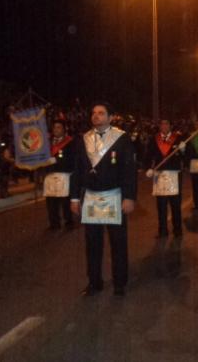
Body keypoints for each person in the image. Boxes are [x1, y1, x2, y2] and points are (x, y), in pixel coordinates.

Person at [70, 102, 137, 297]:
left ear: (110, 117)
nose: (96, 116)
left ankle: (119, 282)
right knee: (92, 243)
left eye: (101, 113)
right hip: (91, 197)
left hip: (114, 196)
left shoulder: (121, 139)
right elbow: (77, 170)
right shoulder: (83, 139)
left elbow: (129, 170)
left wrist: (129, 197)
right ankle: (94, 281)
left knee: (118, 242)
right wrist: (75, 198)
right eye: (94, 113)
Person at [146, 119, 186, 238]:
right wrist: (148, 167)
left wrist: (183, 150)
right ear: (159, 126)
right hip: (160, 175)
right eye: (162, 124)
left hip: (174, 174)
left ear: (170, 126)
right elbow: (148, 154)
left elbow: (186, 156)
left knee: (175, 205)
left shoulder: (178, 138)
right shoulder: (154, 139)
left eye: (166, 124)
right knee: (161, 205)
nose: (164, 126)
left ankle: (177, 230)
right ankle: (163, 231)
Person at [44, 119, 75, 230]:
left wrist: (56, 160)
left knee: (65, 200)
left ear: (64, 129)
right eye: (54, 127)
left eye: (59, 127)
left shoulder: (70, 142)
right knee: (51, 201)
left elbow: (72, 159)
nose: (56, 130)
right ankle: (54, 223)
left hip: (63, 174)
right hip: (49, 174)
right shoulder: (47, 143)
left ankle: (68, 221)